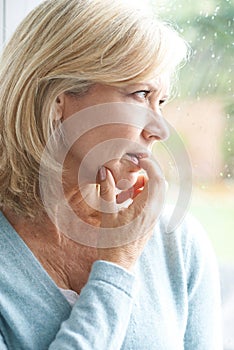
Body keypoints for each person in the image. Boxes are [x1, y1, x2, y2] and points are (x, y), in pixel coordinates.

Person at [0, 0, 222, 349]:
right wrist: (116, 265)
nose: (160, 130)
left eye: (160, 102)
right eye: (141, 94)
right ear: (58, 99)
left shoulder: (177, 242)